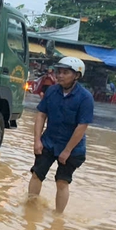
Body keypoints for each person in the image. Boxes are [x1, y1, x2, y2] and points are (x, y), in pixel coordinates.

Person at [28, 56, 94, 213]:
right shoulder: (51, 91)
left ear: (76, 75)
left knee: (62, 182)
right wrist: (37, 140)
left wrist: (67, 151)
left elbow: (82, 126)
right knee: (37, 174)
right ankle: (29, 210)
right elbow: (41, 115)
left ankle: (58, 216)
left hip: (73, 148)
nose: (60, 75)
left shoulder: (85, 98)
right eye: (59, 72)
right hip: (49, 141)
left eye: (65, 73)